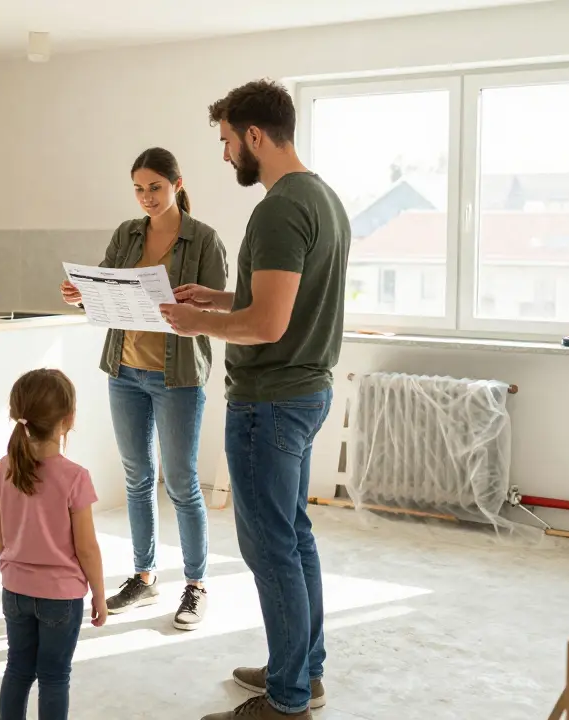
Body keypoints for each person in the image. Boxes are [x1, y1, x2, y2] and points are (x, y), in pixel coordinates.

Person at [158, 81, 351, 719]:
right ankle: (303, 670)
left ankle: (287, 700)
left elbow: (268, 326)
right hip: (305, 392)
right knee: (293, 537)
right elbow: (281, 304)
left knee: (270, 545)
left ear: (256, 137)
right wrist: (215, 300)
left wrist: (194, 325)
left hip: (269, 401)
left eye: (227, 141)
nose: (224, 155)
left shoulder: (276, 209)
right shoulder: (322, 197)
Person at [60, 148, 228, 629]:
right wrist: (80, 294)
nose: (146, 197)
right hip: (125, 371)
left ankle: (195, 586)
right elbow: (107, 292)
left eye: (155, 186)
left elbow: (217, 312)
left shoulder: (204, 240)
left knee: (180, 483)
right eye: (138, 188)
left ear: (177, 184)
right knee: (137, 478)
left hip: (177, 377)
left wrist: (190, 311)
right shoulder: (127, 233)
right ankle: (144, 576)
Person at [0, 368, 106, 720]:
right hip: (61, 598)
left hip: (15, 591)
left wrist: (16, 567)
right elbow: (87, 547)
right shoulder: (75, 477)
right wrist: (99, 593)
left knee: (18, 669)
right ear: (67, 420)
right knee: (54, 677)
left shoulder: (3, 468)